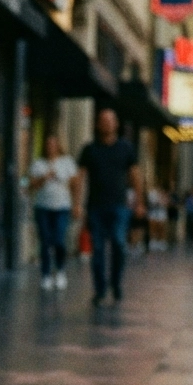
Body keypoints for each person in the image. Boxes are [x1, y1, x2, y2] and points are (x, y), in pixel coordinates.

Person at [78, 109, 142, 305]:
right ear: (98, 125)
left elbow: (135, 176)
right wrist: (76, 204)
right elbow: (80, 177)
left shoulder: (126, 148)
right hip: (95, 206)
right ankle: (100, 289)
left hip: (119, 206)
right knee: (97, 249)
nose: (106, 124)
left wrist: (139, 202)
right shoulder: (90, 149)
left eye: (110, 121)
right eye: (103, 121)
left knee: (118, 244)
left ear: (116, 124)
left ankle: (116, 282)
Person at [29, 135, 80, 290]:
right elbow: (31, 185)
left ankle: (60, 270)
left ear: (58, 146)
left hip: (62, 207)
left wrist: (76, 204)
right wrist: (44, 177)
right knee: (45, 241)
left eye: (53, 144)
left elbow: (75, 183)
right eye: (48, 144)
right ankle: (45, 274)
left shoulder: (67, 162)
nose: (50, 147)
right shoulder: (38, 164)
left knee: (59, 239)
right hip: (43, 206)